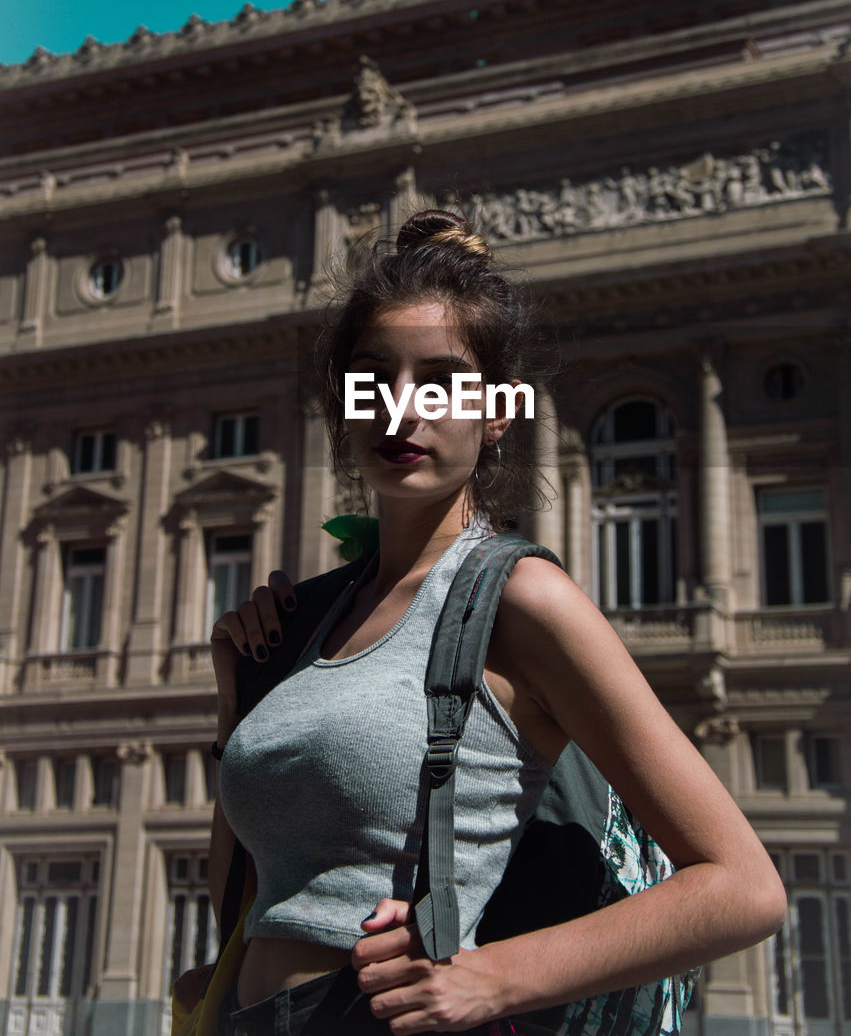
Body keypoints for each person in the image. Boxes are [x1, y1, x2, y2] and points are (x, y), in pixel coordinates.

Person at [207, 210, 786, 1036]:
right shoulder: (316, 617)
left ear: (499, 411)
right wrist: (240, 705)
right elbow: (244, 896)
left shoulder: (518, 598)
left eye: (441, 381)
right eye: (373, 380)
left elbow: (743, 885)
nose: (402, 411)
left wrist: (496, 979)